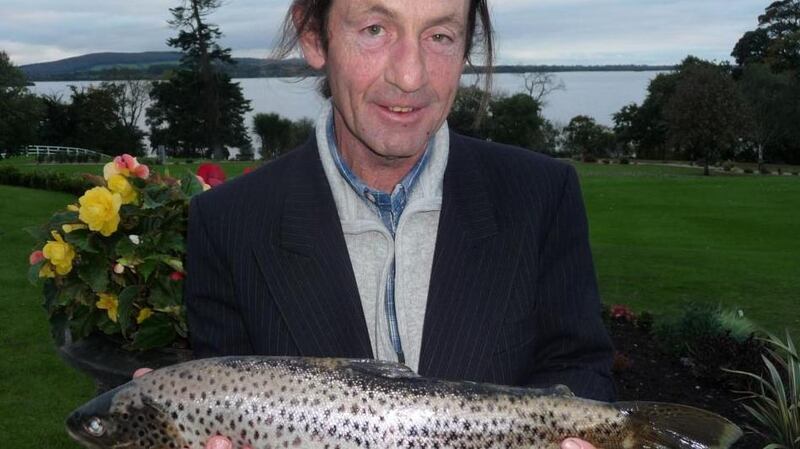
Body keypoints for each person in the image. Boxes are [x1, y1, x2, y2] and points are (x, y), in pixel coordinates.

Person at [141, 1, 614, 448]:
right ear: (313, 35)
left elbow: (577, 366)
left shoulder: (542, 195)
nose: (410, 76)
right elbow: (225, 402)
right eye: (375, 29)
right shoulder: (227, 223)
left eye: (441, 35)